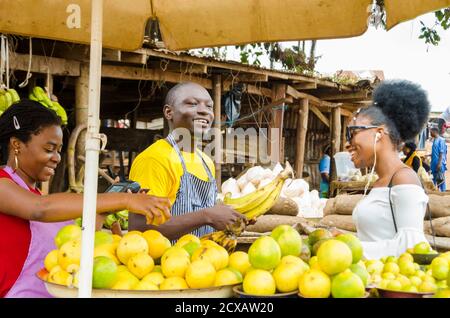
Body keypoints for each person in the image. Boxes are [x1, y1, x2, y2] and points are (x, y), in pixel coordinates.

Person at [0, 100, 171, 298]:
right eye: (49, 149)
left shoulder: (37, 196)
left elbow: (72, 248)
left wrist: (106, 213)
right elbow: (40, 209)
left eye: (58, 150)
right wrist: (124, 200)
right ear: (16, 145)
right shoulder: (5, 186)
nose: (57, 157)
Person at [129, 82, 244, 240]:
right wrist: (206, 216)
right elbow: (139, 227)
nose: (204, 111)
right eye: (192, 104)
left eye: (209, 107)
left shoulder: (205, 161)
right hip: (165, 261)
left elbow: (209, 215)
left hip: (202, 259)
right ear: (169, 112)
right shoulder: (155, 159)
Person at [346, 80, 431, 259]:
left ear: (379, 133)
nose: (347, 143)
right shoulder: (380, 182)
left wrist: (350, 249)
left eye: (352, 133)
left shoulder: (404, 179)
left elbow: (413, 248)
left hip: (394, 285)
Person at [430, 126, 447, 192]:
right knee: (434, 177)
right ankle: (434, 192)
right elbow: (435, 151)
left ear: (435, 132)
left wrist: (439, 163)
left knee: (440, 178)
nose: (430, 133)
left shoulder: (441, 140)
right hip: (434, 162)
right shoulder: (434, 140)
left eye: (431, 132)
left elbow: (441, 152)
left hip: (439, 163)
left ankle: (443, 192)